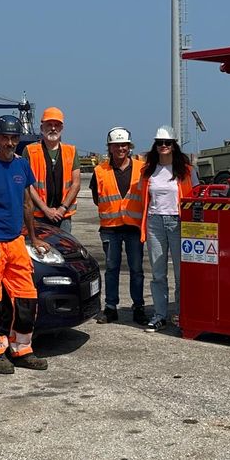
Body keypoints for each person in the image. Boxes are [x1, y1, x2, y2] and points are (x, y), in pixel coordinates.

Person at [0, 114, 52, 374]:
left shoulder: (21, 166)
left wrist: (34, 236)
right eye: (4, 137)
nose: (9, 142)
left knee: (27, 298)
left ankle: (22, 349)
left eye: (13, 138)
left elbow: (28, 204)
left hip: (16, 241)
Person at [140, 125, 198, 333]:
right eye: (159, 143)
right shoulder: (148, 171)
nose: (163, 146)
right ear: (155, 146)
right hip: (154, 222)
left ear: (174, 146)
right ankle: (160, 315)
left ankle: (182, 313)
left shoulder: (186, 171)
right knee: (158, 273)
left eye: (167, 143)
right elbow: (142, 200)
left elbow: (196, 196)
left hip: (178, 222)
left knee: (182, 273)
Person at [89, 126, 148, 325]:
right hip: (111, 227)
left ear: (129, 147)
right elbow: (98, 198)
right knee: (112, 268)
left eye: (124, 145)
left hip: (133, 227)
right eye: (116, 145)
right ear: (110, 148)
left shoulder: (142, 168)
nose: (120, 149)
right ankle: (111, 308)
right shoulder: (100, 171)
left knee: (136, 269)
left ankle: (138, 307)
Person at [25, 107, 80, 233]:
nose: (53, 128)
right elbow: (27, 184)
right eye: (49, 124)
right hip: (38, 215)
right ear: (41, 127)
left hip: (63, 215)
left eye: (57, 125)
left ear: (62, 128)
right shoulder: (30, 151)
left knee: (64, 249)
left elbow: (76, 184)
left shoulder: (71, 151)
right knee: (40, 250)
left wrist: (62, 208)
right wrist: (46, 209)